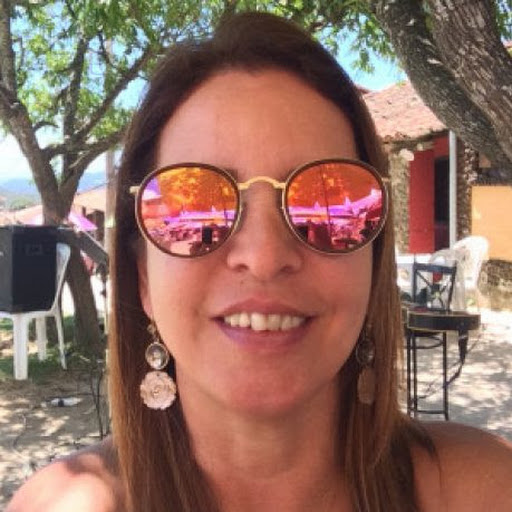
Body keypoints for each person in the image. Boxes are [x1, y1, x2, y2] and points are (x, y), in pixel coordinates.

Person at [7, 11, 512, 512]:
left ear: (373, 261)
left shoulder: (489, 490)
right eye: (195, 208)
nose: (265, 257)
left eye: (328, 203)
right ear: (142, 277)